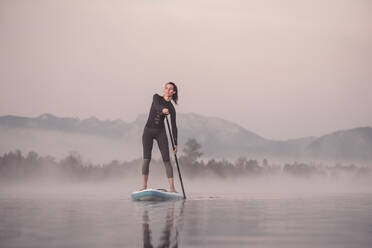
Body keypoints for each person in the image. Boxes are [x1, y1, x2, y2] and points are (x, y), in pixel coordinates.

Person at [140, 82, 178, 192]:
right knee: (146, 159)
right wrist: (163, 110)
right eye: (166, 88)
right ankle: (144, 186)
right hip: (148, 131)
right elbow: (157, 106)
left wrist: (175, 143)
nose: (167, 90)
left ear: (173, 92)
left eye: (170, 89)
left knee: (166, 159)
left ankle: (172, 188)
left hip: (160, 132)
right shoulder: (156, 97)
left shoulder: (171, 108)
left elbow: (174, 126)